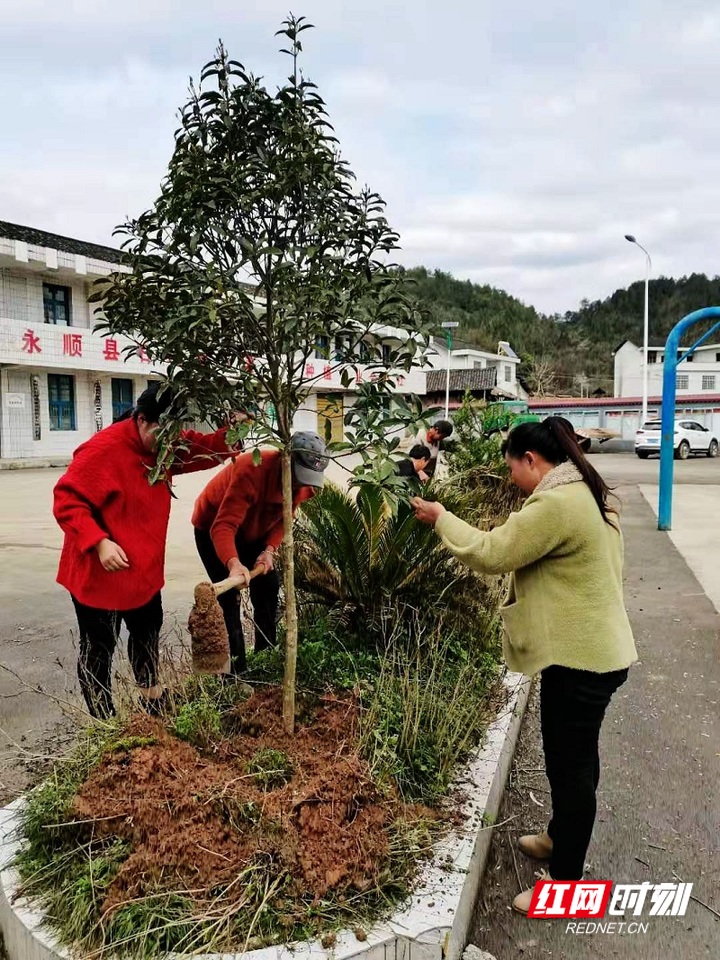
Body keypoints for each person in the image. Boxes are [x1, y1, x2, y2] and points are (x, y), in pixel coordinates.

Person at [411, 417, 637, 915]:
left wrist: (441, 517)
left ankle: (567, 886)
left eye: (512, 468)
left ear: (531, 460)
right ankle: (560, 839)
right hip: (596, 655)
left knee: (570, 768)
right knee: (576, 760)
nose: (511, 479)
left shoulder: (557, 504)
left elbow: (494, 552)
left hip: (583, 662)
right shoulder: (590, 494)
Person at [53, 383, 244, 720]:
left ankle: (152, 702)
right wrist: (99, 542)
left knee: (146, 635)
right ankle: (105, 721)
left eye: (176, 436)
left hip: (142, 571)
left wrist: (237, 428)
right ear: (142, 420)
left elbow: (209, 448)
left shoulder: (166, 445)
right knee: (99, 647)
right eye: (164, 435)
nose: (172, 445)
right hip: (100, 575)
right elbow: (67, 499)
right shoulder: (103, 450)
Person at [192, 432, 328, 674]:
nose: (301, 484)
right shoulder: (251, 469)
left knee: (268, 589)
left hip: (256, 531)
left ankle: (265, 661)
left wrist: (268, 550)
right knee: (228, 602)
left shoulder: (305, 485)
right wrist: (234, 564)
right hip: (215, 527)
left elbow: (285, 518)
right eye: (298, 477)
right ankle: (234, 673)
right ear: (285, 459)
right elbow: (223, 526)